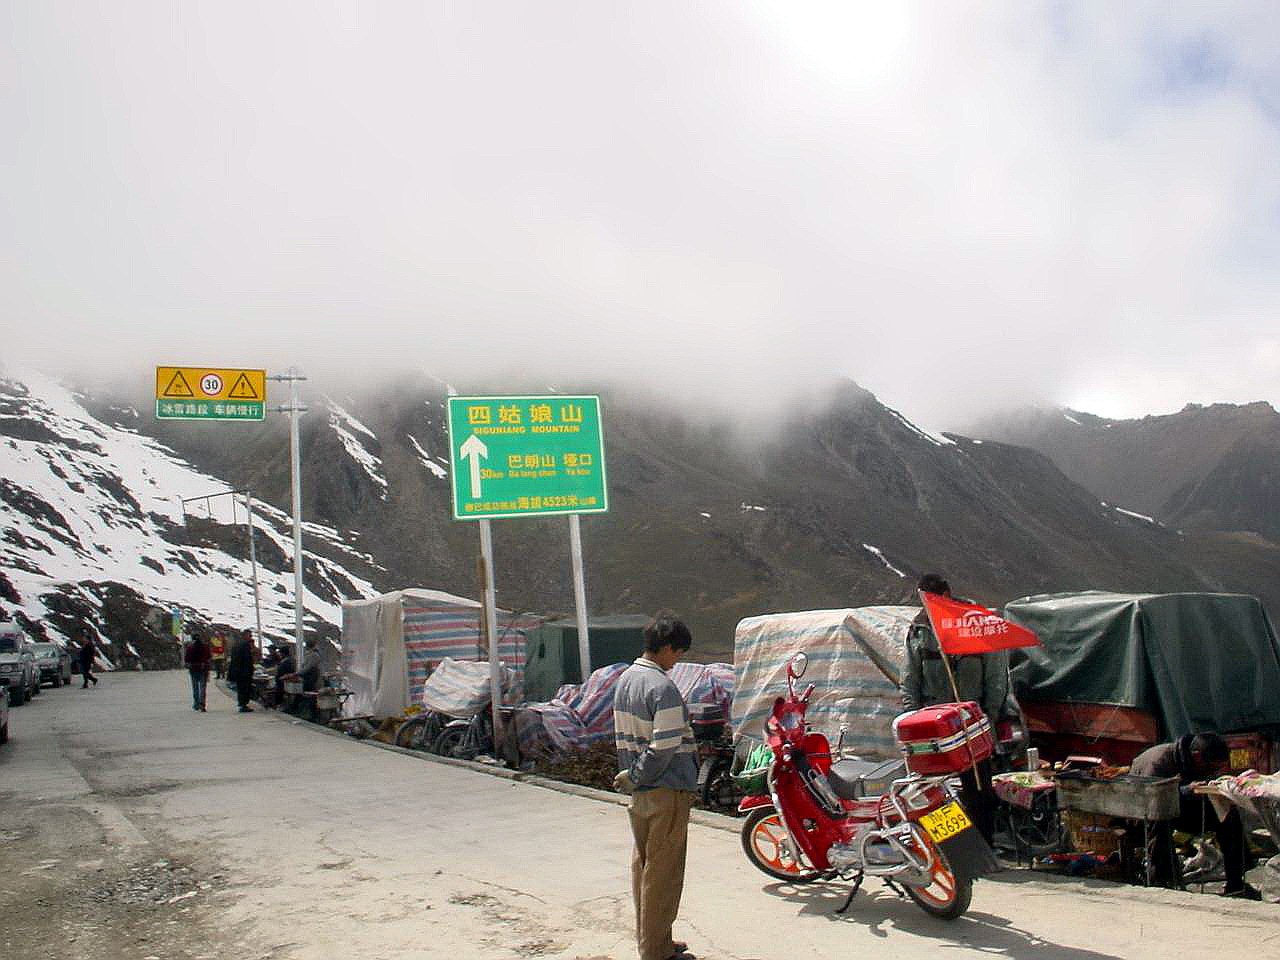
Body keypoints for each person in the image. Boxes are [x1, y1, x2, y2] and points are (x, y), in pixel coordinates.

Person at [613, 612, 697, 960]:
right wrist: (639, 775)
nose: (678, 662)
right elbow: (663, 746)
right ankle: (657, 951)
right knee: (663, 875)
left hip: (641, 794)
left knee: (645, 869)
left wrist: (632, 778)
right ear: (665, 648)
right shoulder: (661, 687)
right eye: (677, 653)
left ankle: (654, 940)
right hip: (665, 789)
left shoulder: (626, 679)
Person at [900, 573, 1007, 844]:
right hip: (932, 726)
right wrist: (914, 717)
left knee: (978, 788)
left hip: (971, 723)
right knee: (935, 790)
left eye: (931, 599)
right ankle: (953, 848)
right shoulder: (920, 629)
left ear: (946, 596)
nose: (926, 605)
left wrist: (988, 717)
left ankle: (984, 845)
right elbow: (910, 678)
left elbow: (996, 677)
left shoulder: (977, 622)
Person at [1130, 733, 1259, 898]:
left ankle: (1236, 881)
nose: (1211, 771)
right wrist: (1186, 790)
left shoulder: (1193, 760)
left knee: (1227, 815)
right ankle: (1163, 880)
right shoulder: (1158, 762)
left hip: (1178, 806)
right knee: (1160, 822)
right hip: (1146, 810)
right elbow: (1152, 797)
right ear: (1197, 756)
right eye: (1211, 767)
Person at [227, 627, 256, 713]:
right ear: (245, 636)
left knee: (240, 688)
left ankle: (241, 703)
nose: (251, 637)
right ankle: (244, 704)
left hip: (237, 670)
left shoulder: (237, 644)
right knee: (245, 688)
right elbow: (247, 658)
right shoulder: (245, 645)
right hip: (244, 671)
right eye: (250, 635)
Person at [184, 630, 212, 711]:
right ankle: (202, 704)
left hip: (193, 669)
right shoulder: (205, 647)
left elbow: (187, 659)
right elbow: (209, 657)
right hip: (203, 669)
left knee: (195, 687)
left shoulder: (190, 648)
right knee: (203, 688)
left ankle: (196, 704)